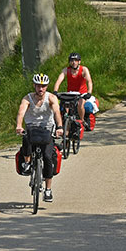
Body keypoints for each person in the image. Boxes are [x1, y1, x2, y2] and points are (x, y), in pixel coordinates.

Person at [16, 73, 64, 202]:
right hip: (32, 128)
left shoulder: (51, 98)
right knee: (26, 139)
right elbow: (21, 112)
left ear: (47, 86)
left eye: (43, 86)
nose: (40, 89)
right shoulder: (27, 98)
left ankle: (48, 190)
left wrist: (59, 126)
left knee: (48, 157)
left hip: (47, 129)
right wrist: (19, 126)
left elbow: (57, 112)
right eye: (38, 86)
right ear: (34, 86)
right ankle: (27, 163)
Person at [52, 52, 98, 130]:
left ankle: (82, 121)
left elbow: (89, 81)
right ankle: (64, 122)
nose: (74, 62)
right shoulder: (66, 70)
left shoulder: (84, 69)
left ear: (79, 61)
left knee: (80, 104)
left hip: (82, 93)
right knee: (64, 106)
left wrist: (89, 92)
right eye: (72, 60)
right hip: (70, 93)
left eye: (76, 60)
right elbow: (59, 81)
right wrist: (55, 91)